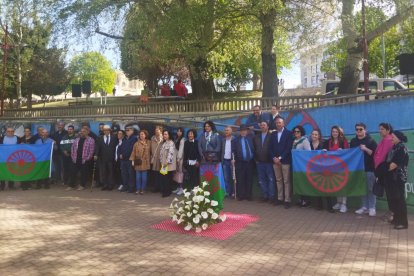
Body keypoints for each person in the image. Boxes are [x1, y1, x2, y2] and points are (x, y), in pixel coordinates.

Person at [351, 123, 378, 217]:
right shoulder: (353, 141)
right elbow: (351, 154)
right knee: (362, 188)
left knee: (371, 188)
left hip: (369, 168)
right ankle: (364, 206)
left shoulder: (371, 141)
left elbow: (375, 154)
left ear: (365, 130)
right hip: (358, 169)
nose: (358, 131)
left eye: (360, 129)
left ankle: (372, 207)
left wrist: (365, 149)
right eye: (357, 129)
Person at [384, 131, 409, 230]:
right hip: (391, 178)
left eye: (393, 137)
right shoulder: (394, 147)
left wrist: (383, 169)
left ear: (398, 138)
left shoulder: (401, 148)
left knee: (400, 200)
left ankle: (403, 223)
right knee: (393, 199)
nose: (391, 138)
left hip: (398, 177)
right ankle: (396, 219)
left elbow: (393, 165)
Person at [324, 125, 349, 213]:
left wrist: (342, 150)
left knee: (343, 185)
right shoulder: (328, 141)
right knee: (336, 185)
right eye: (333, 131)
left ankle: (344, 204)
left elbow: (348, 152)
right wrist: (324, 151)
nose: (334, 133)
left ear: (339, 133)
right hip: (332, 167)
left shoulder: (343, 141)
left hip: (342, 167)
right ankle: (339, 202)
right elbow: (325, 151)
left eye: (336, 132)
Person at [269, 117, 293, 208]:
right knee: (278, 180)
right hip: (275, 161)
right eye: (277, 123)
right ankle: (280, 198)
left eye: (280, 123)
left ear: (283, 123)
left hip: (285, 161)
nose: (278, 124)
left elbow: (288, 148)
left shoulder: (289, 133)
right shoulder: (273, 134)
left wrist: (280, 158)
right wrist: (274, 158)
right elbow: (270, 148)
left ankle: (287, 200)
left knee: (286, 181)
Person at [373, 122, 394, 222]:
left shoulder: (388, 140)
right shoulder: (385, 140)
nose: (380, 131)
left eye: (382, 129)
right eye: (379, 129)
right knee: (389, 193)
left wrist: (377, 169)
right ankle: (391, 212)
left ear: (388, 130)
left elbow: (382, 156)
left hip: (385, 170)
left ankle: (392, 213)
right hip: (383, 169)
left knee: (390, 193)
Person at [253, 121, 275, 203]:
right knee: (261, 180)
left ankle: (271, 197)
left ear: (268, 127)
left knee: (271, 179)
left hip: (269, 161)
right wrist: (256, 159)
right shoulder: (256, 137)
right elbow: (254, 149)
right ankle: (265, 196)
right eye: (261, 125)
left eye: (264, 125)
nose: (262, 126)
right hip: (259, 162)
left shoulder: (272, 136)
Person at [309, 129, 331, 211]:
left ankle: (329, 206)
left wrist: (326, 151)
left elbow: (328, 153)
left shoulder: (323, 143)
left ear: (319, 136)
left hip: (324, 168)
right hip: (314, 169)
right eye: (313, 134)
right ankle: (320, 206)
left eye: (316, 134)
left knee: (326, 187)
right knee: (316, 186)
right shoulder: (309, 144)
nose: (314, 136)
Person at [232, 124, 255, 201]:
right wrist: (233, 159)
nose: (243, 132)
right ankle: (241, 195)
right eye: (242, 131)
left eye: (245, 130)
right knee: (240, 179)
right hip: (240, 162)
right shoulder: (236, 140)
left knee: (249, 179)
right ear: (240, 132)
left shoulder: (251, 138)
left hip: (250, 162)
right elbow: (233, 151)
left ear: (247, 131)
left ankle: (249, 195)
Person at [292, 125, 311, 208]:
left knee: (304, 182)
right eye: (295, 131)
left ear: (301, 132)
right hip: (296, 166)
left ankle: (306, 200)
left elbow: (308, 152)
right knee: (299, 182)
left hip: (303, 165)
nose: (296, 133)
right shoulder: (294, 141)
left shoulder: (304, 140)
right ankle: (301, 199)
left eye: (298, 131)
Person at [94, 125, 117, 191]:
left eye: (107, 130)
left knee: (111, 172)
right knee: (104, 172)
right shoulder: (100, 138)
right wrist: (96, 154)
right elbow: (97, 147)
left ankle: (110, 185)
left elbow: (116, 147)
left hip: (111, 158)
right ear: (103, 131)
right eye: (105, 130)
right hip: (103, 158)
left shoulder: (114, 137)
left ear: (110, 131)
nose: (106, 131)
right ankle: (105, 184)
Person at [130, 130, 151, 195]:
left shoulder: (149, 142)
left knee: (144, 178)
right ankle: (138, 189)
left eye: (143, 134)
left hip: (145, 162)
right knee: (138, 177)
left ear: (145, 135)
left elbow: (152, 152)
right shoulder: (136, 143)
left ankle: (143, 189)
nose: (141, 135)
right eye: (140, 134)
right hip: (138, 162)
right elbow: (133, 152)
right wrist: (132, 161)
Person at [118, 126, 138, 193]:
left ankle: (131, 188)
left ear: (132, 131)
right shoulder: (125, 139)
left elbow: (131, 149)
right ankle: (125, 186)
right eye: (126, 130)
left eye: (128, 130)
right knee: (124, 174)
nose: (126, 131)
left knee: (131, 174)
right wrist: (119, 154)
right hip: (123, 160)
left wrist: (123, 155)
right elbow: (120, 147)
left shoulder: (134, 138)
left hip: (130, 159)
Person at [159, 130, 177, 197]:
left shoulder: (171, 143)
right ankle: (166, 190)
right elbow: (161, 153)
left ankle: (167, 192)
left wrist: (167, 162)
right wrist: (161, 161)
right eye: (164, 134)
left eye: (166, 134)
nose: (164, 135)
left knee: (167, 178)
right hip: (164, 163)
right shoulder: (164, 143)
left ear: (169, 135)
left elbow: (171, 153)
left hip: (167, 164)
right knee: (165, 177)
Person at [221, 126, 235, 198]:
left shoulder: (234, 139)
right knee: (226, 178)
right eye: (225, 130)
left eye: (228, 130)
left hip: (232, 161)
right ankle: (227, 192)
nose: (226, 132)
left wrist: (235, 159)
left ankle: (233, 193)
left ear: (231, 131)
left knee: (233, 178)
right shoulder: (223, 140)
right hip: (225, 161)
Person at [150, 126, 164, 192]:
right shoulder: (152, 138)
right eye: (155, 130)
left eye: (157, 130)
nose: (156, 131)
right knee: (156, 174)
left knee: (162, 174)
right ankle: (156, 188)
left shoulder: (163, 138)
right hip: (155, 159)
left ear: (161, 131)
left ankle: (162, 188)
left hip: (162, 159)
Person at [172, 127, 186, 195]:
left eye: (180, 131)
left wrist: (178, 158)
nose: (179, 132)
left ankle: (181, 188)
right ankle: (178, 187)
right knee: (177, 173)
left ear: (182, 132)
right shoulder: (177, 139)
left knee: (180, 173)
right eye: (178, 131)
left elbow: (181, 150)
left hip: (180, 159)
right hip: (176, 158)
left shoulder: (182, 139)